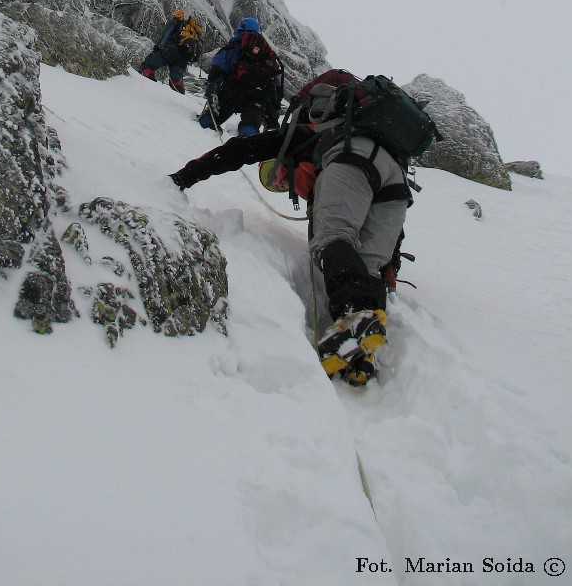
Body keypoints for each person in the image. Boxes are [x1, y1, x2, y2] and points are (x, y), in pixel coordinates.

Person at [172, 67, 412, 386]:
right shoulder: (349, 141)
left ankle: (355, 315)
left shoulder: (307, 134)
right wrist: (391, 266)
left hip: (354, 157)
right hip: (395, 180)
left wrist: (185, 176)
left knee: (332, 240)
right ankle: (361, 357)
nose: (281, 181)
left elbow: (238, 150)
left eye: (276, 175)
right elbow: (387, 235)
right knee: (367, 264)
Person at [199, 17, 283, 136]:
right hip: (258, 97)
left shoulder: (235, 46)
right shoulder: (266, 53)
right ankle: (245, 141)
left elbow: (219, 66)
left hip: (233, 90)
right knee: (250, 125)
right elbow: (277, 82)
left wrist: (212, 85)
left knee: (210, 120)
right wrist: (273, 109)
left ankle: (201, 127)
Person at [139, 10, 203, 94]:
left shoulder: (176, 21)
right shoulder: (193, 30)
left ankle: (144, 84)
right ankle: (179, 94)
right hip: (183, 56)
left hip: (171, 50)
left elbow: (167, 33)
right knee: (176, 80)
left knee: (147, 66)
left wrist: (159, 46)